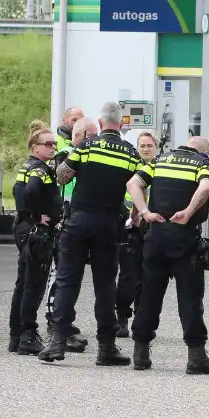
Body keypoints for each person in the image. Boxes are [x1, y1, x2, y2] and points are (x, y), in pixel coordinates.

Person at [40, 102, 143, 365]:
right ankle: (106, 348)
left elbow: (62, 177)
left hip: (78, 221)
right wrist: (135, 214)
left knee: (67, 281)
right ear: (120, 124)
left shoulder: (86, 147)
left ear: (99, 123)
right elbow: (138, 186)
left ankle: (57, 344)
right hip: (108, 224)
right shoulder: (131, 153)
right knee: (105, 285)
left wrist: (65, 159)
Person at [125, 135, 209, 374]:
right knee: (190, 298)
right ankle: (196, 356)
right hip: (184, 239)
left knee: (148, 295)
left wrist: (144, 211)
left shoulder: (160, 160)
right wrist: (189, 211)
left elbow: (132, 184)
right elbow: (207, 186)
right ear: (205, 153)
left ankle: (141, 353)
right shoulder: (202, 164)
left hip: (155, 236)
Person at [43, 118, 97, 353]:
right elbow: (61, 178)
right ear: (79, 135)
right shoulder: (66, 153)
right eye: (92, 135)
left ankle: (65, 324)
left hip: (80, 219)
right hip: (63, 219)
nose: (95, 140)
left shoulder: (88, 152)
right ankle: (54, 325)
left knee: (71, 278)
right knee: (59, 276)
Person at [8, 127, 63, 356]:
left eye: (53, 144)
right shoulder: (39, 170)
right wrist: (37, 217)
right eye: (47, 144)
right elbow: (30, 192)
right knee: (34, 283)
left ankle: (17, 334)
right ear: (34, 147)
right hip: (35, 232)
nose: (52, 147)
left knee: (24, 282)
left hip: (25, 228)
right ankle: (28, 334)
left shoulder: (29, 166)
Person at [115, 130, 160, 338]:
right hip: (131, 225)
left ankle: (141, 321)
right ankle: (122, 317)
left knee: (148, 276)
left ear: (157, 148)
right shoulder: (131, 167)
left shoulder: (161, 168)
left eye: (149, 145)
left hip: (151, 227)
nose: (145, 149)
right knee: (128, 275)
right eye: (142, 146)